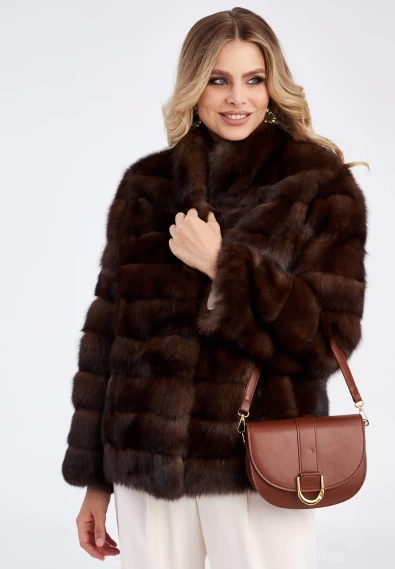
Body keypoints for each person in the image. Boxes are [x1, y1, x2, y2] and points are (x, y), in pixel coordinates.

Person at [61, 7, 369, 569]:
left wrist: (223, 266)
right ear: (193, 85)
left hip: (256, 463)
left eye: (254, 79)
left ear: (273, 87)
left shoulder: (319, 185)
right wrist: (96, 481)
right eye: (218, 79)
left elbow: (325, 341)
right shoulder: (147, 185)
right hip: (147, 468)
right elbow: (106, 340)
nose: (237, 98)